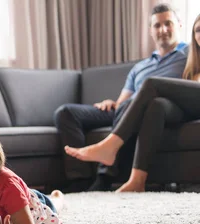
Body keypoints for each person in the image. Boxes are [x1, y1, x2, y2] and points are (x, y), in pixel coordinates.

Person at [54, 3, 188, 192]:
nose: (163, 30)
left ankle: (105, 175)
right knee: (66, 113)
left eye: (168, 24)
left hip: (157, 108)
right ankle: (80, 180)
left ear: (179, 25)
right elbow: (122, 102)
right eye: (157, 25)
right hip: (127, 108)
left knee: (130, 104)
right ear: (151, 30)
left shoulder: (189, 55)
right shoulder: (140, 67)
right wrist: (112, 103)